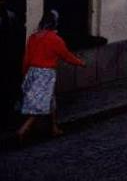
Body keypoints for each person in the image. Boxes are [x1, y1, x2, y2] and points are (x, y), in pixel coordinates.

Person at [17, 10, 86, 143]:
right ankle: (23, 129)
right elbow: (66, 56)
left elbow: (26, 58)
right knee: (41, 103)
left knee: (50, 100)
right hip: (46, 74)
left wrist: (25, 73)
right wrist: (81, 63)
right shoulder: (55, 39)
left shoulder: (33, 37)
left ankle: (54, 127)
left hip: (32, 71)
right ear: (55, 23)